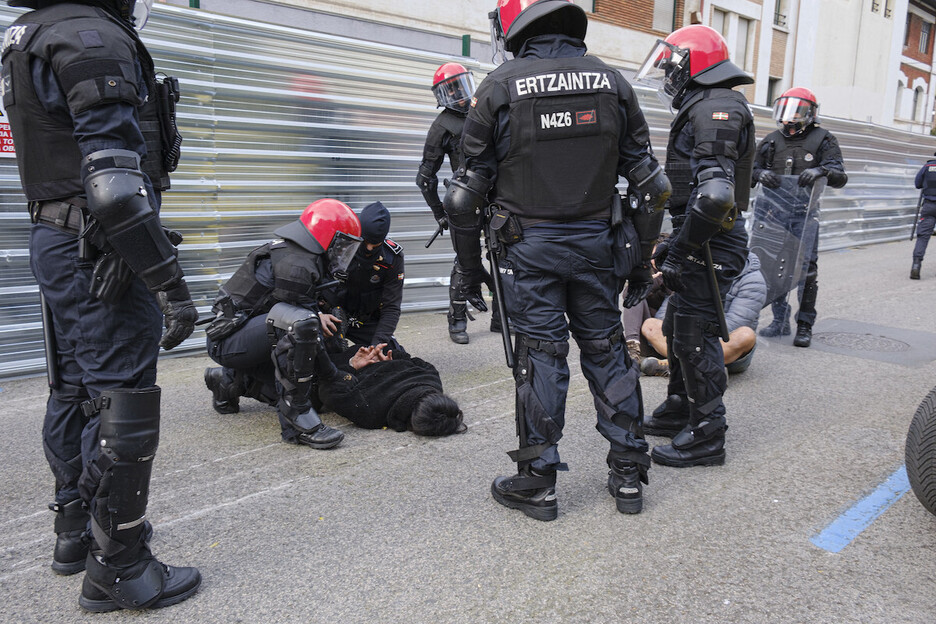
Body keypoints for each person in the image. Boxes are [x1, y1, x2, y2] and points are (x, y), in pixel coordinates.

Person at [2, 0, 202, 611]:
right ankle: (118, 564)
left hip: (60, 238)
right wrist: (169, 282)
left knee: (74, 389)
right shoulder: (90, 37)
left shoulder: (31, 34)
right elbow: (114, 182)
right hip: (102, 247)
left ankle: (74, 535)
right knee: (123, 399)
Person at [444, 0, 671, 520]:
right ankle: (629, 476)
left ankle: (539, 484)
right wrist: (639, 263)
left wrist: (470, 267)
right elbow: (654, 188)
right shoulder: (613, 84)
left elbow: (462, 197)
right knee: (608, 351)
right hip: (599, 247)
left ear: (519, 31)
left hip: (528, 252)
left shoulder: (499, 86)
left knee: (541, 358)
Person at [635, 24, 755, 468]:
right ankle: (681, 407)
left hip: (713, 243)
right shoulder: (707, 103)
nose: (668, 75)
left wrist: (681, 249)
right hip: (700, 236)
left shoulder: (717, 107)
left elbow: (717, 195)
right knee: (675, 329)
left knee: (695, 335)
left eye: (672, 65)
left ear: (694, 66)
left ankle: (708, 432)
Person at [203, 198, 362, 450]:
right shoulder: (297, 265)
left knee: (311, 386)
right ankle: (297, 422)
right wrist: (334, 375)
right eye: (341, 244)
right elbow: (303, 331)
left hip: (245, 335)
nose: (343, 252)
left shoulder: (301, 254)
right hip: (227, 341)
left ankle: (227, 383)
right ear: (325, 236)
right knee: (301, 326)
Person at [753, 87, 847, 347]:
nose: (789, 117)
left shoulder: (823, 139)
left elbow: (840, 177)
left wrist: (820, 170)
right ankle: (779, 320)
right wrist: (760, 175)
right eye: (786, 109)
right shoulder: (772, 140)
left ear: (810, 113)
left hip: (804, 215)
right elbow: (750, 170)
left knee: (807, 270)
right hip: (773, 213)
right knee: (773, 268)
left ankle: (804, 325)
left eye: (796, 110)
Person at [416, 63, 500, 344]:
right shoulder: (441, 125)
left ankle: (501, 315)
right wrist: (439, 213)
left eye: (460, 84)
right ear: (442, 94)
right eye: (450, 88)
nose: (458, 93)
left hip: (497, 194)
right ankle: (457, 317)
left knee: (503, 254)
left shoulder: (483, 112)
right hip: (464, 199)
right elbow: (425, 178)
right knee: (465, 262)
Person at [640, 251, 767, 381]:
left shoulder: (753, 280)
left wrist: (695, 335)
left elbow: (733, 325)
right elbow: (666, 313)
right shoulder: (699, 267)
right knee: (650, 325)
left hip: (723, 345)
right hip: (688, 337)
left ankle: (677, 364)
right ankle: (700, 368)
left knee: (746, 335)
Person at [313, 343, 465, 436]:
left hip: (351, 360)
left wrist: (352, 366)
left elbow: (327, 389)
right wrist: (389, 360)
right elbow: (327, 390)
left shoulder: (433, 381)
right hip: (358, 358)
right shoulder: (369, 412)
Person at [318, 201, 405, 351]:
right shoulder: (338, 246)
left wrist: (376, 345)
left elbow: (391, 307)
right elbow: (310, 283)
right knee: (322, 356)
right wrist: (318, 314)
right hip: (331, 315)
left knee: (391, 354)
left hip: (363, 320)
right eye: (365, 242)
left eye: (375, 245)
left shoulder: (392, 258)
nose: (369, 249)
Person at [620, 234, 671, 365]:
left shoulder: (676, 273)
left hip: (669, 337)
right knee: (636, 296)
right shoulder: (649, 273)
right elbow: (627, 295)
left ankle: (660, 364)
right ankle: (632, 347)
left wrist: (666, 278)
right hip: (647, 338)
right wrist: (652, 282)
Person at [911, 153, 936, 279]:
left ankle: (916, 265)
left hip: (929, 206)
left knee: (923, 236)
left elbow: (917, 184)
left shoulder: (928, 166)